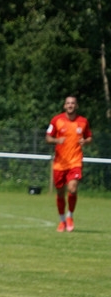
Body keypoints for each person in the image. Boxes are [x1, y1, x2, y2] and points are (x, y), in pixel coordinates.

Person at [45, 95, 93, 232]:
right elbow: (48, 137)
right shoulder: (56, 120)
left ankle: (70, 216)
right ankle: (62, 221)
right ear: (64, 106)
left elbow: (89, 137)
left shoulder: (83, 121)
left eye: (73, 103)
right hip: (60, 163)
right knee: (60, 193)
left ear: (76, 106)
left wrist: (86, 141)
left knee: (72, 189)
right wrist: (56, 141)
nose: (70, 105)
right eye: (68, 103)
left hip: (75, 161)